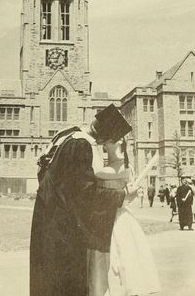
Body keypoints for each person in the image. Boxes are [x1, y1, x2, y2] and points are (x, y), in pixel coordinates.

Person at [30, 104, 139, 296]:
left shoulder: (67, 135)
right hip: (63, 233)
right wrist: (122, 196)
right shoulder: (81, 145)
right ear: (105, 139)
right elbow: (85, 196)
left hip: (46, 223)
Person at [88, 138, 161, 296]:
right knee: (105, 268)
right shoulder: (112, 166)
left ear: (120, 142)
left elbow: (95, 172)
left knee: (122, 266)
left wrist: (91, 144)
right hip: (106, 218)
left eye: (107, 140)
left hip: (119, 221)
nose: (104, 142)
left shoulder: (122, 167)